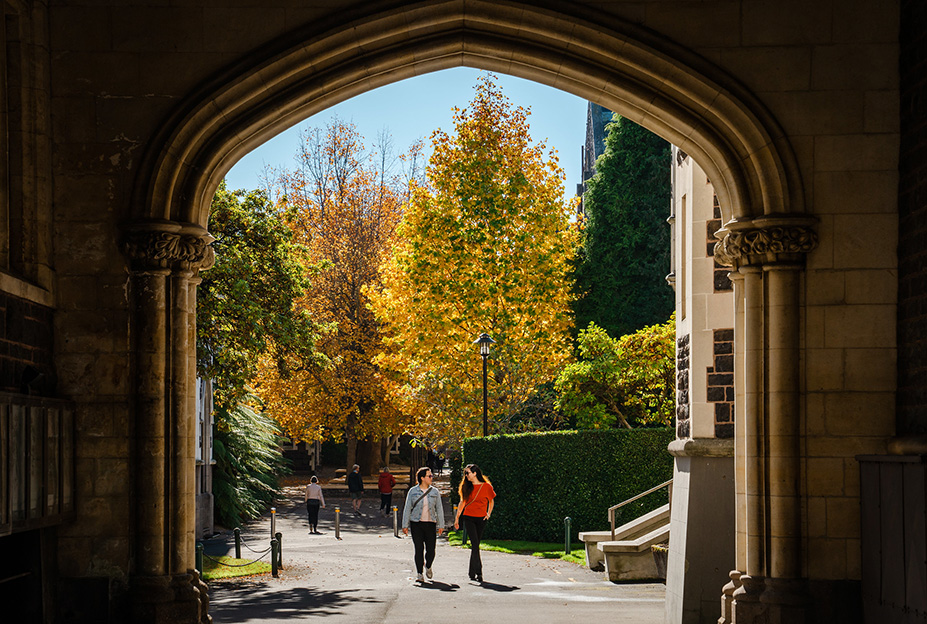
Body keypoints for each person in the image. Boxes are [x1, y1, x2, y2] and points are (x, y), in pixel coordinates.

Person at [453, 463, 496, 583]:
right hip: (469, 518)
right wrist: (457, 518)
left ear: (475, 473)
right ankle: (479, 572)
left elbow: (491, 501)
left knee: (475, 546)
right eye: (465, 473)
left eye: (468, 473)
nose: (466, 475)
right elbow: (462, 503)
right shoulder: (466, 487)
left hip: (481, 519)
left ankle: (471, 572)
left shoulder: (487, 487)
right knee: (475, 543)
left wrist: (488, 513)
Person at [402, 466, 445, 583]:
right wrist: (404, 525)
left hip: (430, 524)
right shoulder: (413, 491)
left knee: (431, 550)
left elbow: (439, 509)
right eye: (429, 476)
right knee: (419, 549)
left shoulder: (435, 492)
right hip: (416, 524)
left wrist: (441, 525)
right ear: (422, 478)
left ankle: (428, 565)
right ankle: (419, 573)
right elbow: (407, 508)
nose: (431, 477)